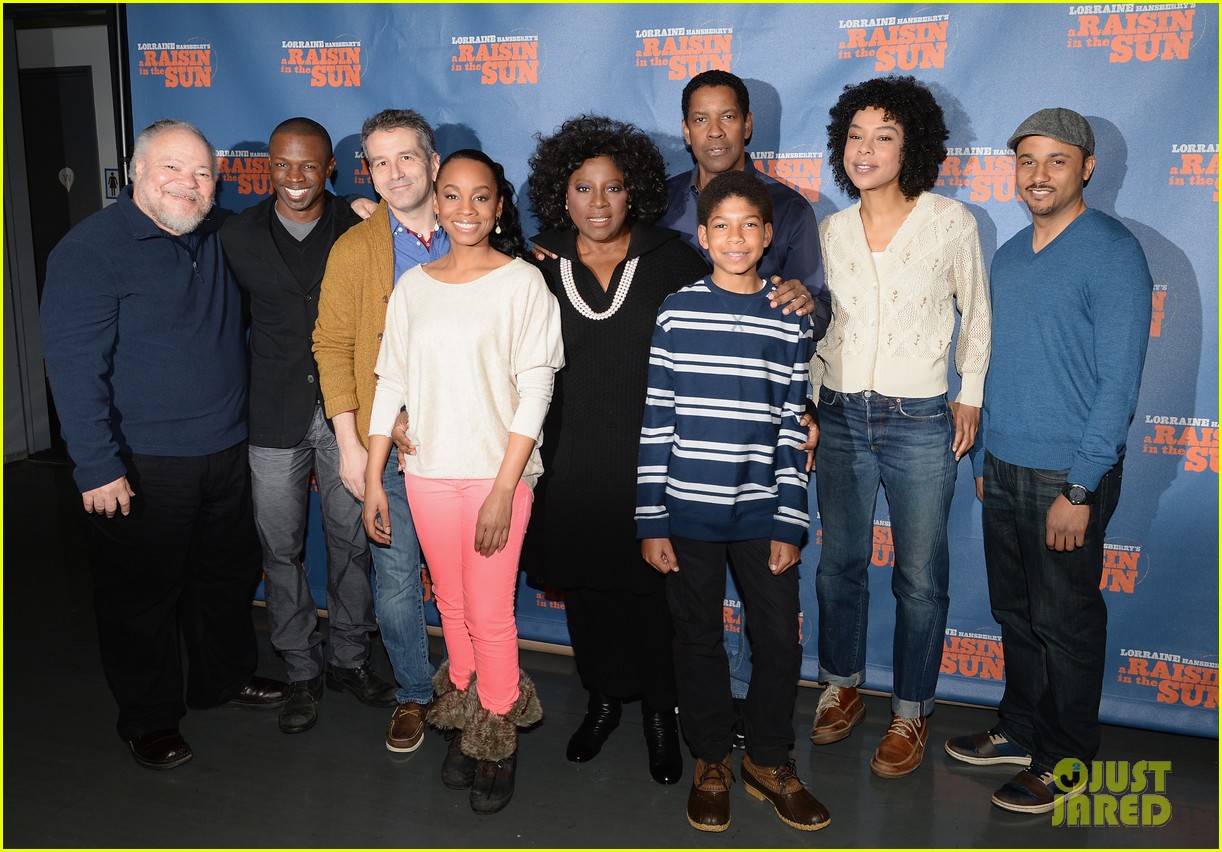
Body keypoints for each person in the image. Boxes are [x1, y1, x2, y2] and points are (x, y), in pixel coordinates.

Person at [40, 119, 288, 770]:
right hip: (138, 463)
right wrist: (96, 466)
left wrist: (356, 210)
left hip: (227, 451)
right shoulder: (89, 251)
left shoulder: (220, 231)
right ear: (137, 172)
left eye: (203, 172)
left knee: (223, 582)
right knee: (139, 601)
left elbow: (294, 218)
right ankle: (148, 719)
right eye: (172, 168)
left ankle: (223, 680)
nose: (188, 183)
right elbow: (73, 367)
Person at [946, 108, 1152, 814]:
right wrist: (985, 460)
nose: (1038, 174)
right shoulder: (1008, 255)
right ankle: (1021, 728)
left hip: (1067, 476)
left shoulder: (1113, 251)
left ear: (1086, 168)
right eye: (1026, 160)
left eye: (1056, 160)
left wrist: (1081, 486)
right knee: (1017, 612)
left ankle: (1066, 760)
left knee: (1066, 624)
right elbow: (996, 365)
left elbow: (1118, 384)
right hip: (1004, 466)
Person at [365, 149, 564, 814]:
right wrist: (375, 477)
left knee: (489, 611)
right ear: (436, 202)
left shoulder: (523, 284)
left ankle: (497, 732)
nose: (466, 209)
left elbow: (536, 392)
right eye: (452, 195)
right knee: (450, 605)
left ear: (499, 206)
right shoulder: (414, 287)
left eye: (481, 196)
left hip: (495, 477)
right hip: (425, 473)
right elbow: (390, 383)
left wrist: (504, 489)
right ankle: (468, 711)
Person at [808, 76, 991, 779]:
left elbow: (977, 314)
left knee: (919, 575)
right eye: (855, 136)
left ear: (911, 147)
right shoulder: (831, 230)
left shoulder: (950, 221)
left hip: (920, 419)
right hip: (841, 414)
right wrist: (812, 405)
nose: (866, 149)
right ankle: (841, 684)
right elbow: (825, 329)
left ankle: (910, 710)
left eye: (883, 136)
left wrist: (970, 394)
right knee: (839, 565)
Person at [637, 170, 828, 833]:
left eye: (750, 225)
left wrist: (790, 519)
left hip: (761, 511)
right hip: (687, 510)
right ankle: (711, 759)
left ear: (769, 235)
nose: (736, 237)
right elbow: (657, 420)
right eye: (722, 225)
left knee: (777, 641)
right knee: (697, 640)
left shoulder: (789, 317)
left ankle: (769, 760)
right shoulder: (676, 312)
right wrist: (652, 517)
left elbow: (793, 427)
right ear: (702, 235)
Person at [522, 115, 710, 785]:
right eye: (583, 188)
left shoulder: (675, 261)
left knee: (653, 597)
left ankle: (661, 712)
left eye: (613, 187)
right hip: (567, 462)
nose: (598, 203)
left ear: (637, 193)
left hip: (653, 463)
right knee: (586, 593)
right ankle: (602, 701)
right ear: (561, 193)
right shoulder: (534, 264)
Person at [657, 68, 829, 721]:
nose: (715, 131)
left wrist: (805, 302)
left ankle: (763, 734)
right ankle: (693, 718)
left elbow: (815, 311)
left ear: (748, 125)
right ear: (685, 130)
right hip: (680, 424)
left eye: (727, 116)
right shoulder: (658, 203)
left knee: (772, 617)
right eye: (701, 119)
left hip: (760, 428)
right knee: (689, 608)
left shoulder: (789, 209)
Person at [221, 117, 397, 735]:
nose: (294, 177)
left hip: (347, 411)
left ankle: (349, 658)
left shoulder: (364, 227)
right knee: (280, 548)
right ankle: (300, 668)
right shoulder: (236, 234)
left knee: (352, 543)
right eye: (282, 164)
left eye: (308, 165)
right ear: (267, 167)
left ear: (330, 169)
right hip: (272, 415)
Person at [313, 109, 443, 753]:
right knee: (394, 578)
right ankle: (414, 693)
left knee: (468, 581)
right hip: (385, 448)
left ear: (433, 162)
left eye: (406, 157)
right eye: (380, 163)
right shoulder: (355, 248)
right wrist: (352, 445)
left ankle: (475, 689)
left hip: (467, 445)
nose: (394, 174)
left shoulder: (477, 229)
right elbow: (332, 345)